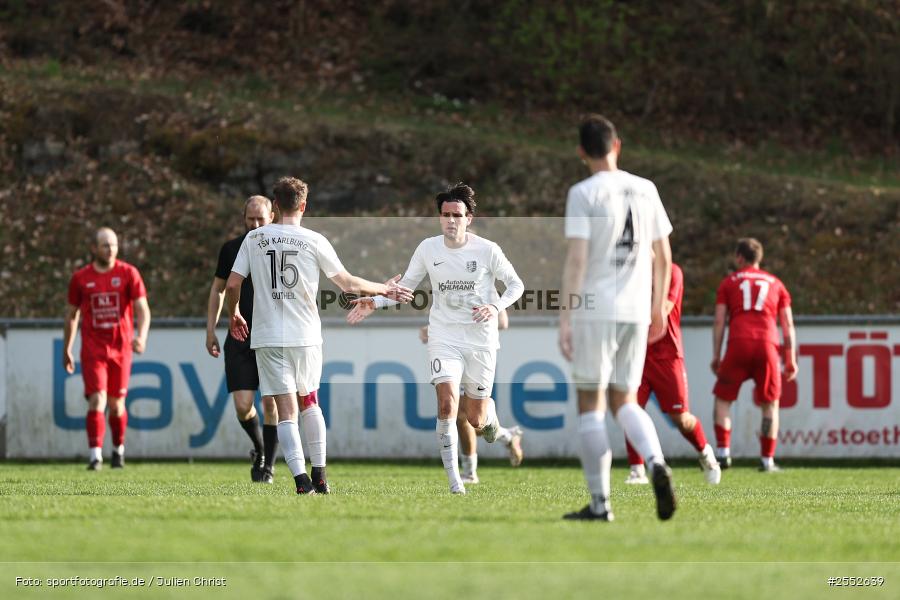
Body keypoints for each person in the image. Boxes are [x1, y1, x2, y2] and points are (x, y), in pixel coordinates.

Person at [226, 176, 413, 494]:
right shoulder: (314, 240)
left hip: (269, 336)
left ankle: (301, 482)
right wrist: (384, 288)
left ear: (274, 206)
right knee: (309, 402)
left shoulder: (254, 239)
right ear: (303, 206)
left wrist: (234, 313)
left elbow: (232, 284)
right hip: (306, 335)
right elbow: (348, 283)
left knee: (285, 409)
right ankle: (321, 476)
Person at [347, 183, 524, 495]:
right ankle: (456, 483)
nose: (451, 220)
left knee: (478, 421)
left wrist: (495, 306)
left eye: (457, 215)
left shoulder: (487, 250)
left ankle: (506, 435)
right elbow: (407, 289)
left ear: (469, 218)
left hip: (481, 341)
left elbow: (516, 285)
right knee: (446, 403)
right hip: (443, 335)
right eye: (445, 215)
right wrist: (373, 301)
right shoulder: (428, 248)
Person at [559, 114, 676, 521]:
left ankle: (600, 504)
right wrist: (659, 305)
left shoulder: (583, 193)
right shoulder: (647, 189)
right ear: (617, 146)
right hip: (637, 309)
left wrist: (565, 316)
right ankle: (656, 462)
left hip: (597, 306)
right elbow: (664, 254)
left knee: (590, 404)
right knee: (625, 399)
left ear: (580, 153)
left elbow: (576, 259)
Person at [623, 263, 721, 485]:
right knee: (630, 410)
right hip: (638, 356)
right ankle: (637, 469)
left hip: (668, 357)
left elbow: (663, 310)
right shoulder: (630, 270)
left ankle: (705, 453)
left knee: (681, 419)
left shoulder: (672, 272)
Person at [206, 195, 280, 483]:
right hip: (239, 336)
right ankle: (259, 449)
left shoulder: (281, 247)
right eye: (251, 219)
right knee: (242, 404)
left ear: (272, 216)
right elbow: (218, 289)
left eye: (261, 218)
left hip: (271, 336)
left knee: (272, 404)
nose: (256, 224)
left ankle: (269, 467)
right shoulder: (231, 249)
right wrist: (210, 329)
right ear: (243, 218)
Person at [63, 227, 151, 470]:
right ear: (94, 248)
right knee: (97, 400)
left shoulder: (128, 273)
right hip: (93, 349)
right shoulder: (81, 278)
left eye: (113, 244)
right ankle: (95, 456)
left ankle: (118, 451)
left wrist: (141, 336)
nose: (110, 249)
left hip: (121, 349)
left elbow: (142, 309)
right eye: (105, 245)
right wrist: (67, 348)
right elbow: (71, 315)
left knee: (116, 404)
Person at [710, 238, 797, 472]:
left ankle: (723, 454)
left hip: (738, 343)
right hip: (767, 345)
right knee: (770, 404)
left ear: (740, 257)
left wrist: (716, 355)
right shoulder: (776, 283)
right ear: (759, 258)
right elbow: (787, 324)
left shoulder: (729, 282)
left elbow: (719, 321)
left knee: (723, 399)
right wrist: (790, 359)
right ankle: (767, 460)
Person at [418, 302, 524, 484]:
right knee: (463, 417)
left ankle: (471, 472)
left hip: (476, 357)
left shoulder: (484, 283)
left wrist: (459, 327)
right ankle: (506, 437)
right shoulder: (449, 283)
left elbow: (503, 322)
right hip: (453, 356)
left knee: (466, 417)